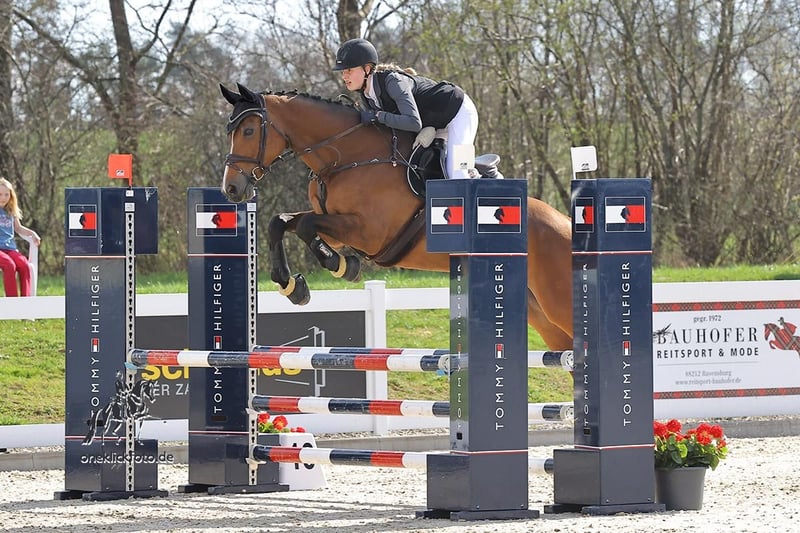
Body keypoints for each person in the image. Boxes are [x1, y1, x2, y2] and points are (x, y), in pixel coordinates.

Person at [333, 38, 479, 179]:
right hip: (436, 122)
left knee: (458, 172)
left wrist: (378, 116)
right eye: (343, 71)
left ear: (367, 69)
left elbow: (413, 123)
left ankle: (482, 179)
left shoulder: (393, 82)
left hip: (459, 111)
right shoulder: (367, 96)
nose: (344, 76)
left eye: (349, 70)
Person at [0, 177, 40, 297]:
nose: (3, 198)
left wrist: (33, 233)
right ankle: (13, 302)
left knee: (24, 265)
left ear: (11, 195)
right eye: (0, 194)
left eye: (7, 194)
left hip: (10, 248)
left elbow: (18, 228)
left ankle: (25, 302)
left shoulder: (10, 210)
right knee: (9, 265)